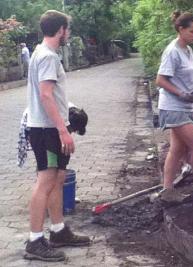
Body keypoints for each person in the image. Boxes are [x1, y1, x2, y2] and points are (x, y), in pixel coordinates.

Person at [24, 10, 91, 262]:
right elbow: (45, 95)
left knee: (57, 178)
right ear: (60, 30)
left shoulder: (40, 53)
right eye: (68, 29)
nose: (69, 34)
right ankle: (34, 240)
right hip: (47, 130)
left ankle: (58, 230)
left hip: (46, 127)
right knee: (46, 181)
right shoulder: (49, 57)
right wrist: (64, 130)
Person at [155, 11, 193, 204]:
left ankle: (167, 190)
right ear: (181, 29)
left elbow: (183, 78)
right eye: (192, 31)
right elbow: (160, 80)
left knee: (177, 149)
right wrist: (183, 94)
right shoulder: (172, 51)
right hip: (173, 107)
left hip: (185, 106)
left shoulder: (187, 50)